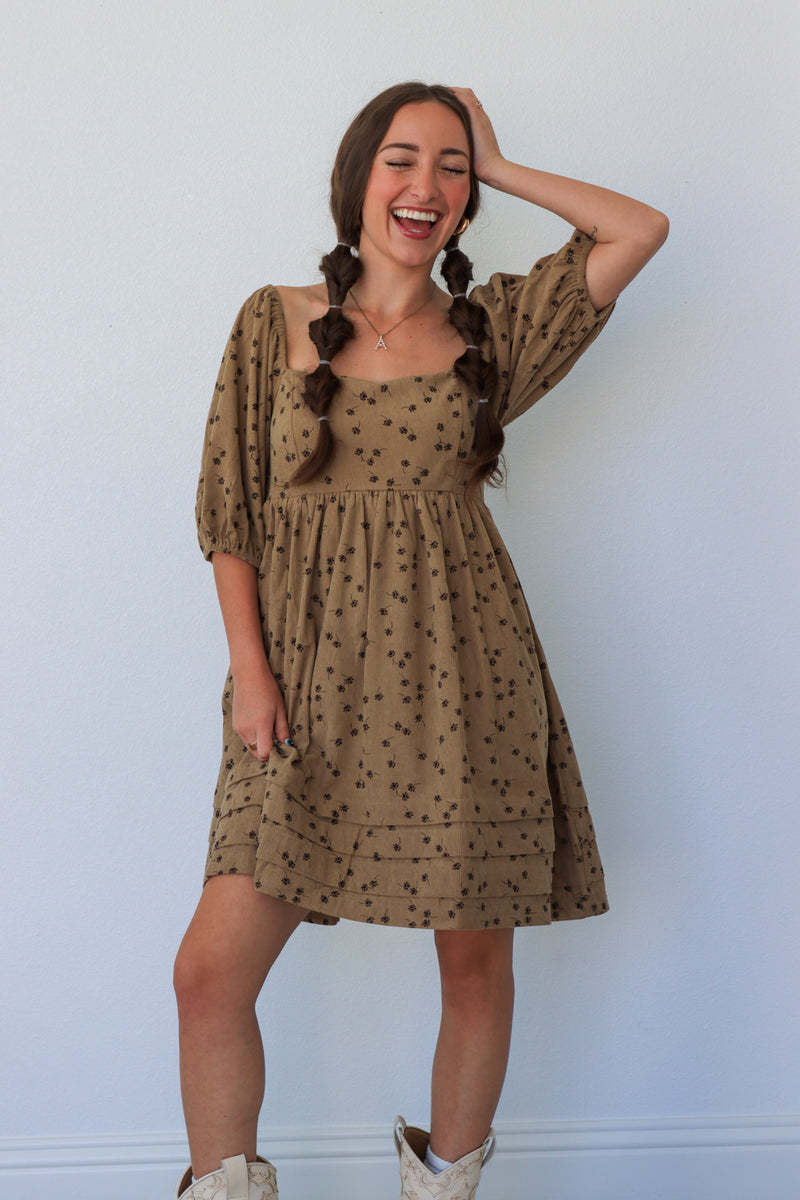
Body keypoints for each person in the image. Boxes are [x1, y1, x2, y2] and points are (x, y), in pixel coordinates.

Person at [173, 81, 668, 1200]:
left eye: (449, 168)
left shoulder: (493, 329)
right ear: (355, 177)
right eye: (402, 160)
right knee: (209, 973)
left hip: (465, 681)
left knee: (473, 961)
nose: (424, 187)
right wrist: (250, 674)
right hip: (301, 683)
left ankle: (442, 1188)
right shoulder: (274, 321)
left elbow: (636, 228)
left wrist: (497, 163)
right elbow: (228, 511)